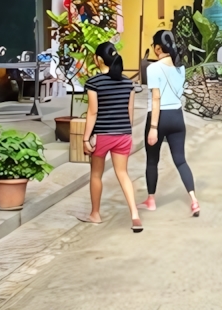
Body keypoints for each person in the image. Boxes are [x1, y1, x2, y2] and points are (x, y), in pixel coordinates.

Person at [81, 41, 142, 231]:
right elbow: (130, 112)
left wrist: (85, 138)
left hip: (102, 135)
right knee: (123, 174)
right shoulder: (128, 83)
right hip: (123, 134)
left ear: (98, 60)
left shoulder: (94, 82)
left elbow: (92, 112)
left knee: (96, 174)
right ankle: (135, 215)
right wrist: (123, 129)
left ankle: (95, 214)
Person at [139, 30, 199, 217]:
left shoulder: (153, 68)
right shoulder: (180, 68)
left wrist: (154, 128)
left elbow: (156, 99)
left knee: (152, 160)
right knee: (180, 160)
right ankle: (194, 200)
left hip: (159, 117)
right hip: (177, 116)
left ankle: (151, 200)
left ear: (158, 48)